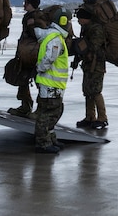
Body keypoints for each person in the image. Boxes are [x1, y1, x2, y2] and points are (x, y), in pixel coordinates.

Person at [33, 8, 70, 154]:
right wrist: (40, 68)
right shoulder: (55, 38)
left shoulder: (53, 36)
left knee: (55, 111)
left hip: (52, 84)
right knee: (48, 113)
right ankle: (43, 142)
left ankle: (50, 137)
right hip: (50, 83)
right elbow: (50, 57)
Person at [74, 6, 108, 129]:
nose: (78, 21)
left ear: (85, 18)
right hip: (88, 64)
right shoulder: (86, 28)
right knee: (87, 91)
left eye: (80, 19)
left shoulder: (97, 29)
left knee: (96, 91)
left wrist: (83, 47)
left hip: (97, 64)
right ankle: (90, 117)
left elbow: (94, 46)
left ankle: (102, 118)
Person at [8, 0, 41, 117]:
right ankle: (26, 106)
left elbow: (36, 35)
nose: (24, 5)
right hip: (28, 52)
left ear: (30, 4)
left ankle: (34, 108)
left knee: (37, 81)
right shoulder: (32, 17)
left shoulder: (34, 18)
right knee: (23, 78)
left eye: (26, 3)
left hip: (32, 54)